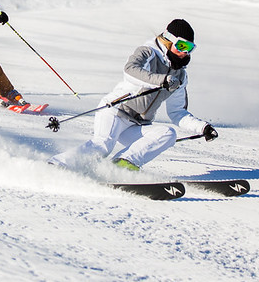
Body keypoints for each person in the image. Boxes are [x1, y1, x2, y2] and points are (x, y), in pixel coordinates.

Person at [48, 18, 218, 170]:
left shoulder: (180, 76)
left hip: (137, 124)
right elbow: (130, 70)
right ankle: (57, 166)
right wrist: (161, 80)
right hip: (116, 111)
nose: (185, 52)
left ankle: (121, 166)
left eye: (190, 48)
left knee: (167, 134)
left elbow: (177, 112)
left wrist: (202, 127)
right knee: (103, 145)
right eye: (182, 46)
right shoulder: (148, 52)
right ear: (169, 40)